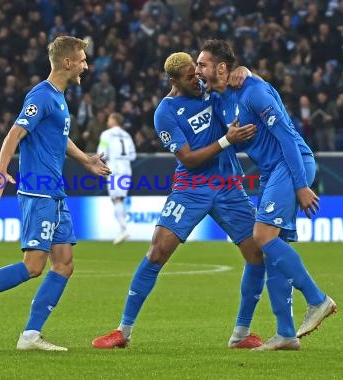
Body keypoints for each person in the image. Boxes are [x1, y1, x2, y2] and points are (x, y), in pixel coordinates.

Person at [0, 36, 111, 352]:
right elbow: (14, 134)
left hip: (55, 192)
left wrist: (86, 159)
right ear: (67, 62)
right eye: (83, 59)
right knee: (33, 266)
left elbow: (60, 137)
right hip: (38, 192)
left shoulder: (59, 98)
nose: (87, 65)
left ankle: (30, 336)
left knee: (64, 264)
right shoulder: (42, 96)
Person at [92, 52, 264, 350]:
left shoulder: (210, 89)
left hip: (228, 185)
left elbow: (253, 88)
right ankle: (123, 331)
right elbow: (188, 158)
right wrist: (227, 141)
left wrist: (246, 71)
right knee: (157, 251)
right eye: (189, 77)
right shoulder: (165, 113)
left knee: (258, 255)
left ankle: (241, 333)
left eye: (197, 72)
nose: (197, 79)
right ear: (173, 81)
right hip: (191, 188)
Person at [197, 39, 337, 350]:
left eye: (202, 64)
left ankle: (317, 299)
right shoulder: (219, 99)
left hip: (292, 164)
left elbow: (286, 136)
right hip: (271, 172)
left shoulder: (253, 91)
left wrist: (301, 185)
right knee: (274, 252)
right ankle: (286, 333)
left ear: (221, 67)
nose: (198, 70)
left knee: (261, 236)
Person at [97, 112, 137, 244]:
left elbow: (101, 153)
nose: (108, 121)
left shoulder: (106, 134)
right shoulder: (127, 135)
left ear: (114, 120)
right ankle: (122, 229)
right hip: (126, 169)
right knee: (120, 199)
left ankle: (123, 228)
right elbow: (133, 155)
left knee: (116, 199)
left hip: (114, 168)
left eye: (109, 118)